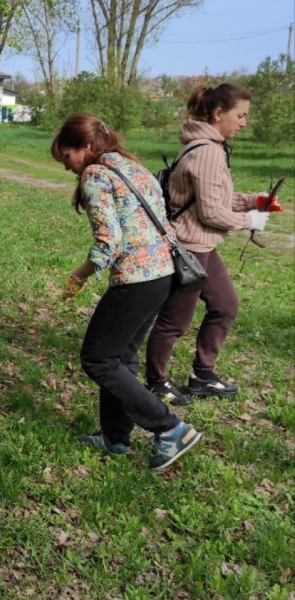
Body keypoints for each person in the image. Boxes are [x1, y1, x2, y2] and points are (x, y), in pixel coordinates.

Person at [52, 112, 202, 471]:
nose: (67, 166)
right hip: (164, 274)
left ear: (85, 146)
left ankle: (169, 428)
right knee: (121, 359)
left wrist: (80, 275)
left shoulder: (96, 175)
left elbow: (109, 242)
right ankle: (115, 437)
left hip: (136, 280)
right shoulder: (132, 165)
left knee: (98, 359)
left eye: (67, 156)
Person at [144, 83, 282, 405]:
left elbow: (213, 199)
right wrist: (251, 221)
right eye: (241, 115)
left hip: (203, 246)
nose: (244, 122)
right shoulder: (207, 151)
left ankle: (202, 375)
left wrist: (253, 201)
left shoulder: (211, 146)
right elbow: (210, 213)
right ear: (219, 114)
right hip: (191, 247)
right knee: (174, 321)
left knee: (225, 305)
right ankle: (156, 382)